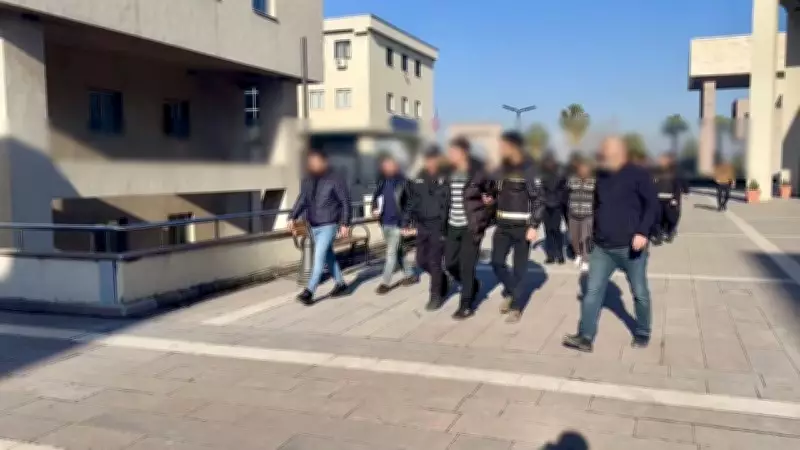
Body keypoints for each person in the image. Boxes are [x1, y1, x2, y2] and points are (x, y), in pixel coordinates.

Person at [563, 136, 659, 353]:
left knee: (640, 292)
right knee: (592, 291)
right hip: (602, 248)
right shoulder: (601, 175)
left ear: (621, 152)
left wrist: (643, 232)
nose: (603, 154)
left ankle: (643, 331)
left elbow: (652, 205)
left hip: (631, 248)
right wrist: (592, 232)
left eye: (607, 150)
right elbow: (597, 204)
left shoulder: (638, 174)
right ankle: (585, 337)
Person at [488, 131, 544, 323]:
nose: (501, 149)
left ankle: (517, 306)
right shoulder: (501, 168)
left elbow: (539, 199)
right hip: (502, 224)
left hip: (522, 226)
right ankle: (512, 291)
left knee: (519, 268)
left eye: (504, 146)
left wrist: (534, 225)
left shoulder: (529, 168)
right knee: (496, 262)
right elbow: (493, 190)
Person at [288, 149, 352, 305]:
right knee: (328, 255)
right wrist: (292, 216)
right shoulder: (308, 180)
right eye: (311, 162)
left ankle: (309, 291)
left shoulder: (335, 179)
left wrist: (345, 223)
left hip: (329, 225)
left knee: (319, 257)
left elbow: (345, 202)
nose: (313, 164)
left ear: (324, 162)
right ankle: (341, 284)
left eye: (316, 161)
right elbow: (302, 200)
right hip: (313, 226)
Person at [444, 136, 493, 320]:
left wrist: (485, 212)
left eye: (453, 152)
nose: (450, 155)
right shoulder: (448, 172)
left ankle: (466, 305)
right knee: (450, 263)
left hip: (471, 226)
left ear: (463, 152)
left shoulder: (478, 172)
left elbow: (491, 193)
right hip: (452, 225)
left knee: (467, 266)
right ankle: (472, 285)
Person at [404, 145, 448, 310]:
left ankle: (435, 296)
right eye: (428, 159)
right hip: (422, 224)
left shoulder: (445, 177)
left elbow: (449, 202)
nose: (430, 162)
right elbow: (412, 200)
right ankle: (442, 278)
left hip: (438, 225)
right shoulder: (418, 177)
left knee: (435, 261)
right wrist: (406, 220)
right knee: (421, 261)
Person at [371, 155, 416, 294]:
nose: (387, 168)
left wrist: (405, 222)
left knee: (390, 253)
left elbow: (410, 203)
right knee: (398, 251)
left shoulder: (404, 182)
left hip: (398, 223)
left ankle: (385, 283)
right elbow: (375, 197)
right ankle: (410, 275)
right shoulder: (382, 181)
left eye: (390, 165)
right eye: (385, 166)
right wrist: (374, 208)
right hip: (384, 223)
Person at [566, 157, 596, 272]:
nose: (583, 170)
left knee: (585, 238)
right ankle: (578, 254)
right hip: (573, 214)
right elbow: (566, 194)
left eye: (585, 168)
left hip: (587, 215)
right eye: (581, 168)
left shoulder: (594, 181)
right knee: (574, 238)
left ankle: (585, 260)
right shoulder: (572, 180)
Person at [651, 154, 684, 245]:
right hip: (657, 199)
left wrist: (675, 199)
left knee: (670, 218)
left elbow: (677, 187)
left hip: (669, 199)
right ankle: (658, 236)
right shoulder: (654, 172)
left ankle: (670, 232)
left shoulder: (674, 173)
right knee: (657, 218)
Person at [540, 155, 567, 264]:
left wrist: (560, 202)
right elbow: (540, 190)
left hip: (556, 206)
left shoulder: (560, 174)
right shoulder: (543, 175)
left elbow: (563, 189)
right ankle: (550, 255)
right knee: (548, 231)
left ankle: (559, 255)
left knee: (556, 231)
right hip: (546, 206)